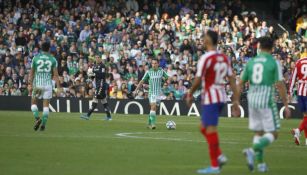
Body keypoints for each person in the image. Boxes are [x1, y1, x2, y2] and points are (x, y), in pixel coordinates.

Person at [185, 30, 240, 174]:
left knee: (210, 129)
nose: (202, 40)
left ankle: (215, 166)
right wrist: (235, 100)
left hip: (211, 97)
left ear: (209, 40)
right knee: (203, 127)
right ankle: (219, 155)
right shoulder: (224, 58)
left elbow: (198, 79)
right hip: (221, 96)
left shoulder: (206, 58)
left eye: (204, 38)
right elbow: (232, 79)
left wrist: (190, 93)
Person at [236, 37, 291, 172]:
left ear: (259, 47)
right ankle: (252, 151)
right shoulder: (273, 62)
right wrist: (286, 104)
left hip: (252, 100)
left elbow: (240, 83)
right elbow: (279, 84)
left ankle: (260, 164)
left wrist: (236, 102)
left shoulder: (251, 62)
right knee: (274, 133)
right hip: (266, 100)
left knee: (259, 132)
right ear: (272, 48)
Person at [29, 42, 61, 131]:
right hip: (48, 85)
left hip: (38, 85)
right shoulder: (53, 59)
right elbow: (56, 75)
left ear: (41, 48)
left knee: (33, 103)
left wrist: (29, 84)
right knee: (46, 106)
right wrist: (58, 87)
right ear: (49, 49)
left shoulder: (35, 58)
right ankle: (43, 124)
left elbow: (31, 73)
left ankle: (37, 118)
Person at [133, 58, 168, 129]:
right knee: (153, 106)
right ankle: (153, 124)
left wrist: (163, 82)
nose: (154, 65)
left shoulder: (161, 71)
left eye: (155, 63)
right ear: (151, 64)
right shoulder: (149, 72)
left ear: (158, 64)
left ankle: (149, 123)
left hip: (159, 93)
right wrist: (136, 90)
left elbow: (167, 78)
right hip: (152, 93)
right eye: (153, 63)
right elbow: (141, 81)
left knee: (154, 109)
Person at [289, 56, 307, 145]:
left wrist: (290, 91)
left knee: (306, 117)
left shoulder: (299, 62)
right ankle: (298, 130)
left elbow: (293, 78)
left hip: (301, 92)